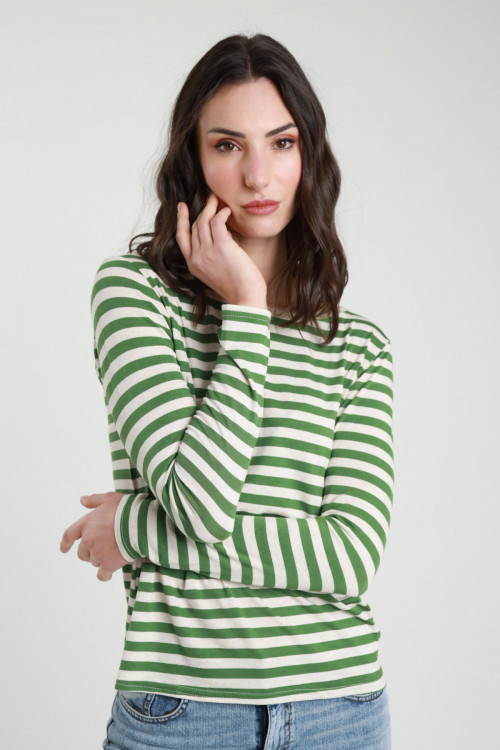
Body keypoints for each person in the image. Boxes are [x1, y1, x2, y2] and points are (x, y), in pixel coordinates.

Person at [60, 33, 394, 750]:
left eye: (281, 142)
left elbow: (349, 557)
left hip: (342, 709)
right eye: (227, 145)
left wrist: (134, 528)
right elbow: (200, 506)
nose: (257, 175)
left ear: (309, 156)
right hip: (183, 711)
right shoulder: (134, 297)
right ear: (193, 159)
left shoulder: (358, 346)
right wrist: (246, 307)